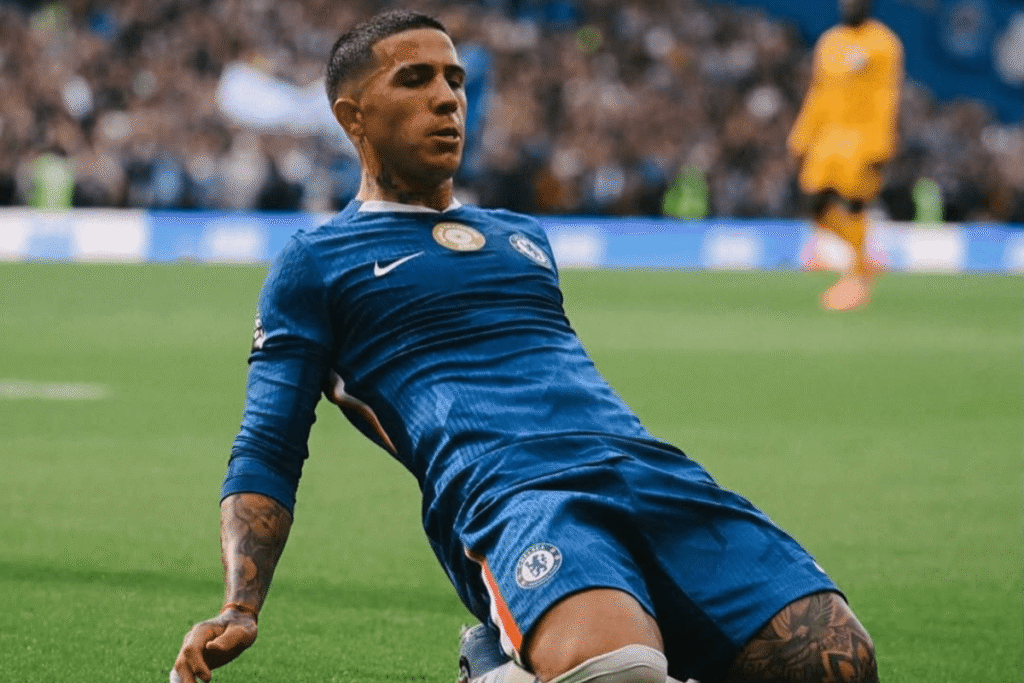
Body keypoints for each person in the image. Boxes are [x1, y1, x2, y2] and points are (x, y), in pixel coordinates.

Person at [170, 10, 879, 683]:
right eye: (414, 80)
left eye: (454, 79)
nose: (446, 98)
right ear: (351, 116)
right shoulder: (317, 263)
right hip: (513, 498)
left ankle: (512, 667)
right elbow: (268, 444)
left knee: (837, 659)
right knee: (621, 671)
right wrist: (240, 605)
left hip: (649, 471)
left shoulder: (522, 238)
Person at [788, 0, 903, 311]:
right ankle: (864, 259)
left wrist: (881, 146)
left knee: (854, 206)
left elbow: (886, 96)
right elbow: (818, 91)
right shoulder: (830, 42)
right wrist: (802, 135)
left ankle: (855, 278)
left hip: (862, 139)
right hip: (827, 138)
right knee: (813, 202)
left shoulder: (882, 43)